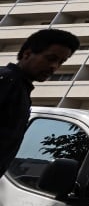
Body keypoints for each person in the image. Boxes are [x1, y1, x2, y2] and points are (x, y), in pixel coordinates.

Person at [0, 28, 80, 177]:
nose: (54, 67)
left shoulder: (20, 88)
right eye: (50, 58)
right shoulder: (7, 81)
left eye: (61, 62)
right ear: (27, 54)